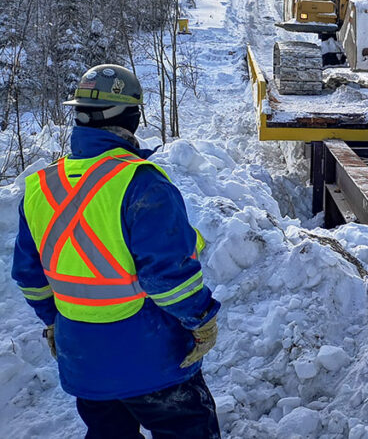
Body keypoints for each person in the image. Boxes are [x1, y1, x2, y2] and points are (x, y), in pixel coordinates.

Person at [11, 64, 221, 438]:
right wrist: (201, 319)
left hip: (84, 364)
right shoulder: (143, 185)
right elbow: (167, 278)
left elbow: (30, 278)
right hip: (153, 361)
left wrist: (53, 321)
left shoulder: (40, 187)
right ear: (133, 117)